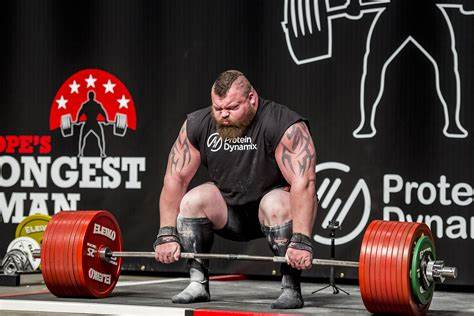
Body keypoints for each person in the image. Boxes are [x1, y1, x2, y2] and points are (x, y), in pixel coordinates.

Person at [154, 70, 317, 309]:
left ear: (252, 98)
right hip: (229, 213)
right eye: (218, 109)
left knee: (275, 202)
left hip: (272, 213)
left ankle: (290, 286)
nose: (224, 115)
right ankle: (198, 283)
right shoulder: (198, 124)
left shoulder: (282, 123)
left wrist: (302, 239)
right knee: (192, 200)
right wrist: (166, 233)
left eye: (231, 108)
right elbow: (174, 178)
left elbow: (305, 182)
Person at [76, 91, 109, 157]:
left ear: (89, 96)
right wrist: (106, 120)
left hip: (88, 123)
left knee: (83, 138)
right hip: (94, 123)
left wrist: (77, 120)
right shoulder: (97, 105)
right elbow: (103, 113)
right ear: (93, 96)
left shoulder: (85, 105)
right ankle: (102, 153)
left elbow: (80, 113)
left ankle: (80, 153)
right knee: (99, 138)